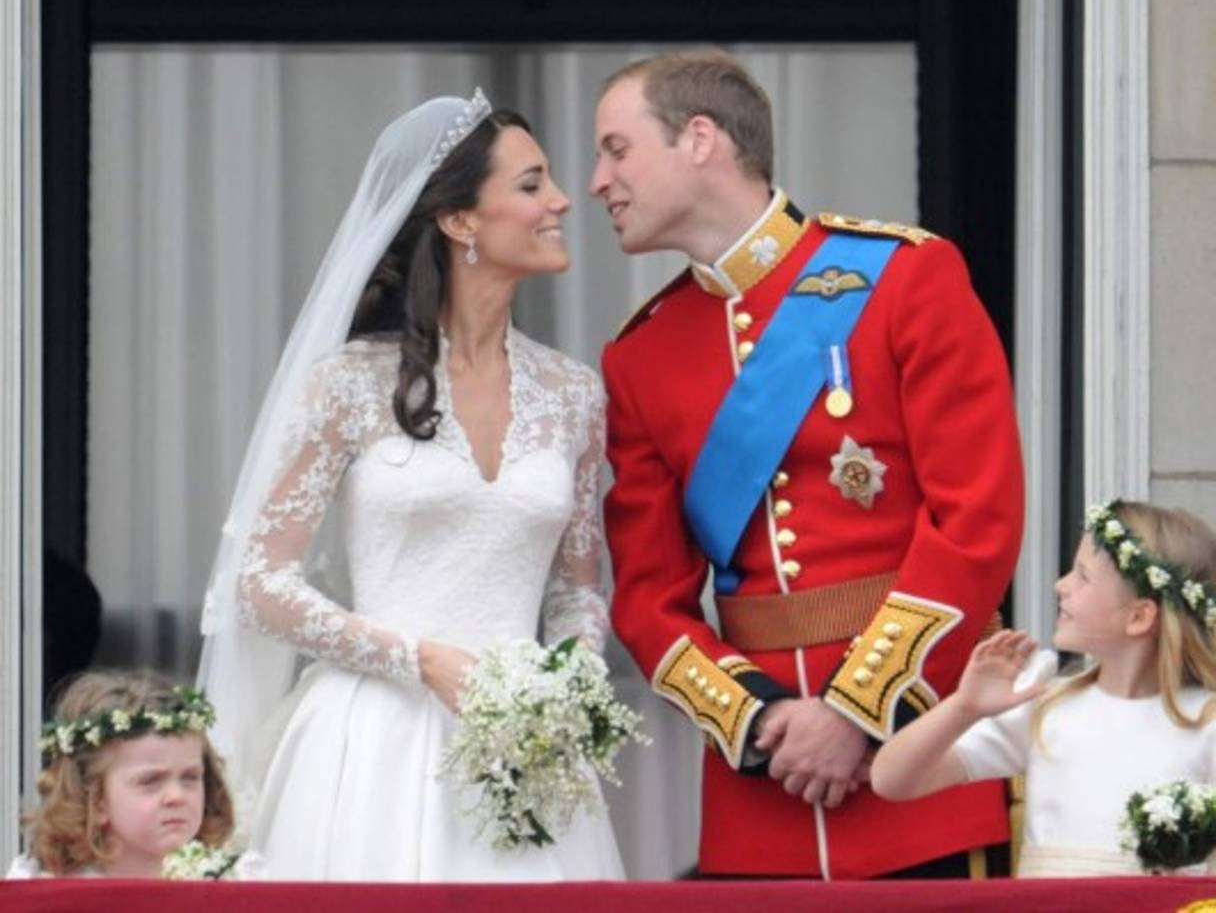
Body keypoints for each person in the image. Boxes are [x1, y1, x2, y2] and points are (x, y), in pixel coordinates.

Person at [593, 51, 1024, 878]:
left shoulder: (904, 278)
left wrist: (857, 712)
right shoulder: (640, 355)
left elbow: (978, 523)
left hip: (919, 758)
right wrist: (760, 723)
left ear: (699, 138)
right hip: (763, 793)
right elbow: (648, 599)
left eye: (617, 148)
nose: (598, 179)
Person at [196, 90, 623, 881]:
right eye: (530, 185)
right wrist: (419, 660)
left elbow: (576, 590)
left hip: (530, 756)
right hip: (371, 744)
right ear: (461, 220)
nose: (562, 200)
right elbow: (258, 581)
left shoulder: (573, 394)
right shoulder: (349, 385)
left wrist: (564, 685)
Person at [872, 500, 1216, 877]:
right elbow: (892, 780)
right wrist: (964, 707)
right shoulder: (1044, 705)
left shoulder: (1206, 723)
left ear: (1138, 617)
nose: (1061, 585)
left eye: (1082, 576)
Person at [7, 669, 252, 879]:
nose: (177, 796)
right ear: (94, 797)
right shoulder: (47, 890)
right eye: (151, 780)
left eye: (190, 777)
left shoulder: (234, 880)